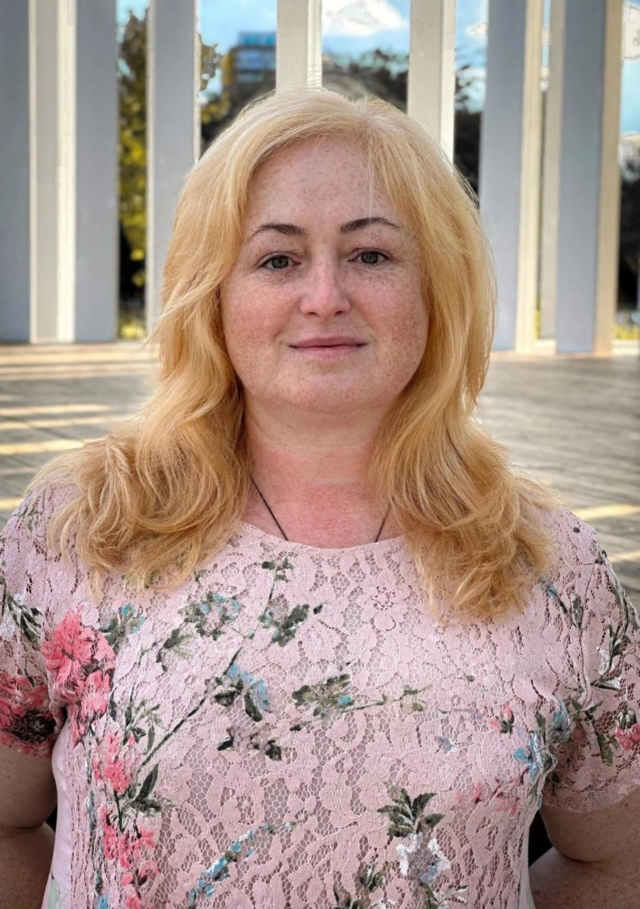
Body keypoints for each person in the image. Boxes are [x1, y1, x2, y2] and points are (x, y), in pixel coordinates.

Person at [0, 87, 638, 909]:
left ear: (437, 286)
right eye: (278, 259)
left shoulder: (549, 566)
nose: (326, 295)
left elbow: (615, 859)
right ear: (213, 293)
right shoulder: (80, 531)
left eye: (371, 254)